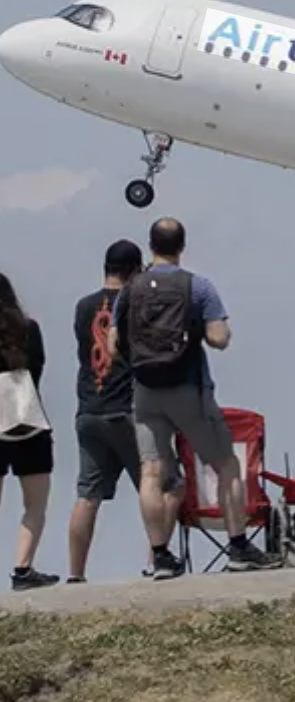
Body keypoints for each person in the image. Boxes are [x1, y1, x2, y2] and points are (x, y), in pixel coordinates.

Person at [110, 218, 281, 577]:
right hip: (188, 389)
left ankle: (160, 556)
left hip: (144, 392)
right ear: (182, 245)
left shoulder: (131, 290)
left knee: (152, 472)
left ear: (151, 244)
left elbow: (113, 344)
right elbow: (218, 337)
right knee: (226, 465)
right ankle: (238, 547)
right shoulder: (198, 287)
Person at [67, 240, 186, 584]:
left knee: (88, 495)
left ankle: (75, 574)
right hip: (131, 411)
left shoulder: (81, 307)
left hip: (89, 409)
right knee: (168, 486)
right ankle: (157, 560)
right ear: (135, 270)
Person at [0, 273, 61, 589]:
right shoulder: (29, 330)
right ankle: (23, 570)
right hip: (29, 424)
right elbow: (37, 369)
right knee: (34, 506)